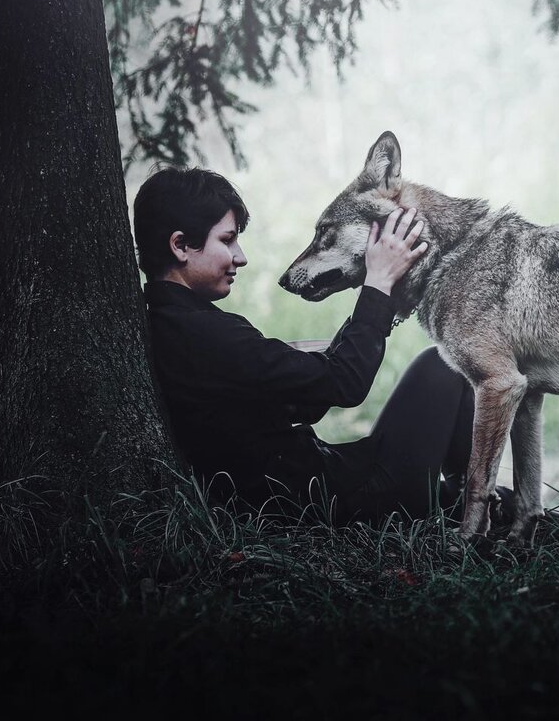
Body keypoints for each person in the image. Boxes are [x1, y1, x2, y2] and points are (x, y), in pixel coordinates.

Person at [132, 167, 477, 524]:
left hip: (325, 485)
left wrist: (325, 355)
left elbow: (305, 401)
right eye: (227, 240)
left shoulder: (173, 325)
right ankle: (472, 500)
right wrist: (378, 284)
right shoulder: (202, 333)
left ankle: (463, 499)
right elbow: (345, 385)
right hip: (350, 497)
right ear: (180, 245)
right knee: (444, 364)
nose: (240, 256)